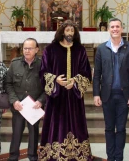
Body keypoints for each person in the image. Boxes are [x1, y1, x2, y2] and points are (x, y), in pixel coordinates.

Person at [38, 20, 93, 160]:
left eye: (72, 30)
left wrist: (75, 81)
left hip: (74, 96)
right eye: (67, 30)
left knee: (76, 124)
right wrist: (56, 80)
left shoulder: (80, 50)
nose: (69, 33)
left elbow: (86, 71)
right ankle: (53, 154)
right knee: (56, 124)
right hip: (57, 96)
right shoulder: (50, 49)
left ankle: (78, 154)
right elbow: (43, 71)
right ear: (62, 32)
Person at [93, 18, 129, 161]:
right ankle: (110, 156)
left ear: (121, 28)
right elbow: (97, 74)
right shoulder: (101, 49)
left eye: (117, 26)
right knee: (108, 128)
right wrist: (96, 93)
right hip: (107, 95)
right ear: (108, 29)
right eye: (112, 27)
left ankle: (118, 157)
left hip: (124, 95)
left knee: (120, 128)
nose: (115, 29)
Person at [5, 38, 45, 161]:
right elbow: (8, 84)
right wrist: (14, 100)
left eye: (30, 48)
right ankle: (13, 157)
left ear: (37, 49)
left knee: (33, 134)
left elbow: (48, 86)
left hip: (34, 106)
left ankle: (33, 156)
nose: (27, 51)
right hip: (19, 106)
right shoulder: (15, 63)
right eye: (25, 48)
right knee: (16, 133)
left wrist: (41, 101)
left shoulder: (43, 64)